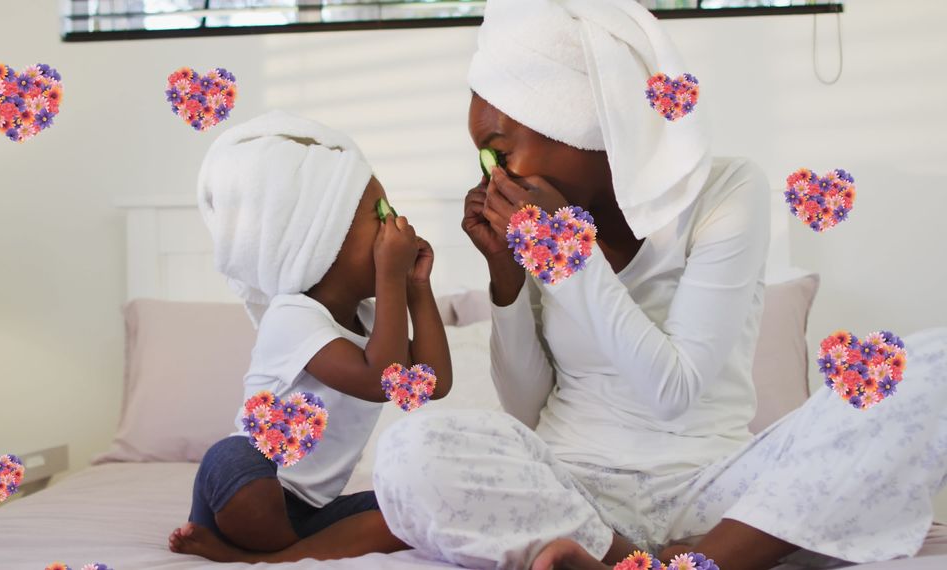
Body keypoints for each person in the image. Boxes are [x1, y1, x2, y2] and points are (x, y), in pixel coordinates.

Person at [371, 1, 947, 569]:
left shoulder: (726, 190)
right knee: (409, 452)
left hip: (721, 497)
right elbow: (524, 412)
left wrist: (566, 257)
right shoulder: (546, 220)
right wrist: (508, 278)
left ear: (587, 122)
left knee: (932, 366)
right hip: (571, 494)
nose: (498, 177)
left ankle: (699, 558)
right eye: (485, 160)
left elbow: (674, 392)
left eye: (500, 151)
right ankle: (625, 558)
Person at [168, 110, 452, 563]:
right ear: (319, 240)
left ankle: (268, 558)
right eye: (380, 217)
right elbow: (380, 377)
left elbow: (432, 383)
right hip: (248, 485)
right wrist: (392, 277)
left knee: (419, 512)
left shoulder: (371, 320)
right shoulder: (292, 316)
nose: (393, 229)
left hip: (308, 511)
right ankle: (276, 549)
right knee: (236, 460)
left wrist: (417, 287)